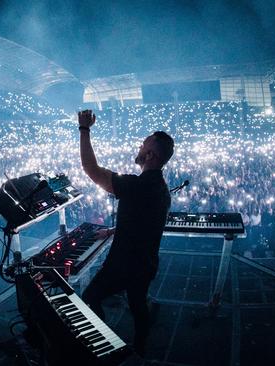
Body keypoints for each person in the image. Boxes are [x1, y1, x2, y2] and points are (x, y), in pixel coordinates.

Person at [77, 109, 174, 356]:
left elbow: (91, 169)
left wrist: (84, 129)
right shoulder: (159, 187)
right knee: (138, 303)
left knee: (88, 299)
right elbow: (143, 221)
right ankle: (140, 348)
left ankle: (103, 346)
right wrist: (112, 230)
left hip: (124, 266)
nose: (139, 147)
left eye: (143, 144)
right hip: (146, 264)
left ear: (150, 155)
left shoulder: (139, 186)